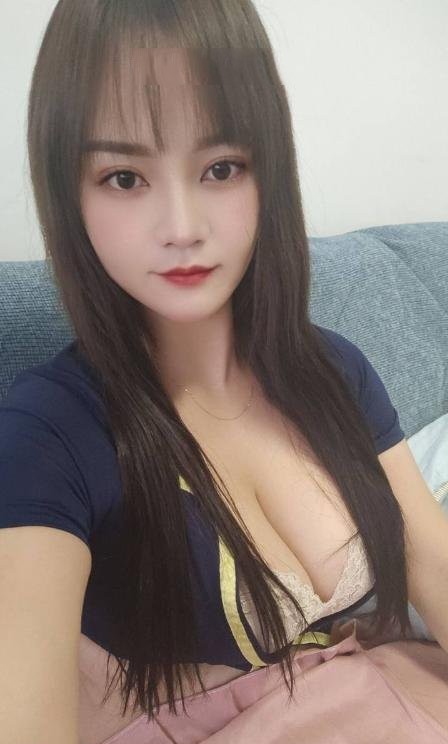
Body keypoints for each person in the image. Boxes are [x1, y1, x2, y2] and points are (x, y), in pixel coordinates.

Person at [1, 1, 448, 742]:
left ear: (268, 171)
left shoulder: (334, 369)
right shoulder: (49, 431)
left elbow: (431, 559)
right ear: (68, 193)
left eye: (220, 168)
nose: (182, 227)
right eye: (123, 177)